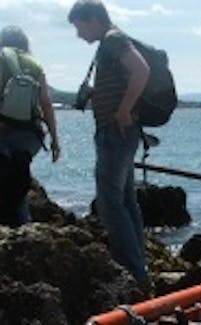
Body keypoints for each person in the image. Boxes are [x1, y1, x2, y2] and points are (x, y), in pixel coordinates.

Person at [67, 0, 152, 293]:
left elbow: (141, 70)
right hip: (118, 132)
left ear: (92, 19)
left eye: (79, 27)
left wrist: (124, 109)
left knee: (109, 203)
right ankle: (139, 268)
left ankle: (134, 272)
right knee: (126, 201)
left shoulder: (113, 39)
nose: (79, 35)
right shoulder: (108, 43)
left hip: (116, 133)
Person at [0, 25, 61, 226]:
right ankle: (23, 228)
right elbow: (45, 103)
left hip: (4, 132)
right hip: (30, 136)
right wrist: (55, 140)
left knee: (9, 179)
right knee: (18, 180)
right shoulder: (34, 64)